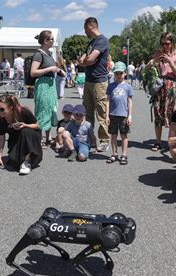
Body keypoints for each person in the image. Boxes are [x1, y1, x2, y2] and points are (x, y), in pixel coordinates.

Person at [147, 31, 176, 151]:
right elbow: (149, 69)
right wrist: (155, 62)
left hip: (171, 86)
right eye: (162, 44)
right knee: (158, 114)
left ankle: (171, 141)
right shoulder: (158, 54)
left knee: (173, 114)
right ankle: (158, 142)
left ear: (172, 43)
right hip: (159, 86)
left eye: (167, 43)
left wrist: (170, 61)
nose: (165, 46)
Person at [79, 17, 110, 152]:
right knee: (88, 113)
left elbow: (89, 58)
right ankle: (91, 139)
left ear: (89, 27)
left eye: (85, 28)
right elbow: (82, 60)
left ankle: (104, 140)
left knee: (101, 113)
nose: (84, 31)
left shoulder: (102, 40)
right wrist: (87, 60)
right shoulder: (92, 43)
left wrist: (87, 60)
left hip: (99, 82)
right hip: (88, 80)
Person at [0, 94, 42, 175]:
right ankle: (21, 158)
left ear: (11, 107)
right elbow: (1, 138)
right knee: (14, 162)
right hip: (16, 138)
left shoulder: (23, 112)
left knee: (24, 131)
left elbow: (37, 126)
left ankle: (27, 161)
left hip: (32, 136)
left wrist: (25, 125)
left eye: (2, 109)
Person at [30, 30, 65, 147]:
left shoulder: (49, 54)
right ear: (45, 41)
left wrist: (59, 70)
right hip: (43, 84)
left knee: (51, 109)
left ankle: (48, 137)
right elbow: (33, 72)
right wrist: (50, 69)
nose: (53, 41)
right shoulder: (38, 54)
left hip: (51, 84)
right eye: (51, 39)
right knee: (42, 111)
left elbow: (53, 68)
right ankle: (39, 138)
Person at [105, 61, 133, 165]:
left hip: (123, 115)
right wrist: (106, 115)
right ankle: (114, 154)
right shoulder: (111, 86)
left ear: (125, 73)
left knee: (124, 135)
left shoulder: (128, 87)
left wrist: (130, 116)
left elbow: (130, 102)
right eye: (116, 73)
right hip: (112, 115)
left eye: (120, 73)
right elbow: (107, 101)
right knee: (113, 135)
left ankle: (124, 155)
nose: (118, 76)